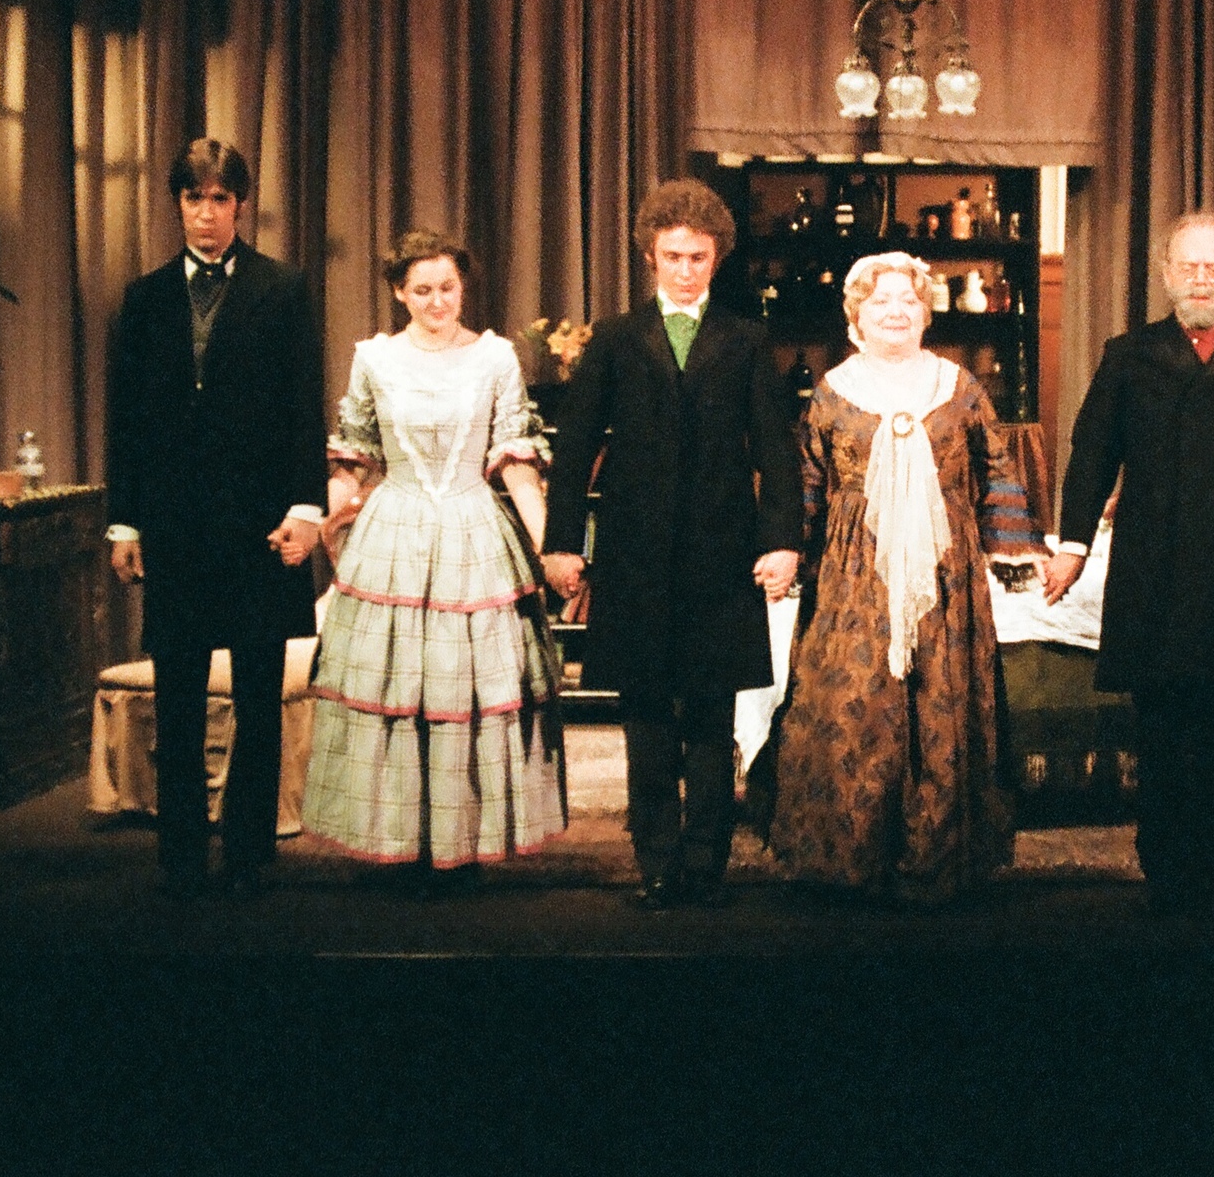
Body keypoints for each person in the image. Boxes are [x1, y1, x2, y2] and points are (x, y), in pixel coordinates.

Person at [1046, 210, 1214, 917]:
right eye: (1188, 266)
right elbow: (1091, 456)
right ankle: (1164, 875)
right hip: (1152, 575)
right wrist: (1073, 546)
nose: (1201, 278)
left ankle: (1209, 876)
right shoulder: (1128, 356)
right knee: (1160, 733)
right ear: (1167, 275)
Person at [542, 179, 801, 909]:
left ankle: (706, 861)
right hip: (636, 555)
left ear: (717, 259)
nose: (685, 270)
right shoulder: (615, 339)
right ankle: (656, 861)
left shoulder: (746, 340)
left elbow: (776, 451)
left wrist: (783, 541)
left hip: (723, 553)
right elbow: (575, 449)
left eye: (698, 257)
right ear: (649, 257)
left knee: (713, 716)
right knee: (647, 715)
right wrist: (562, 542)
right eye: (672, 256)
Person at [770, 254, 1040, 902]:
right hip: (853, 574)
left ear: (926, 312)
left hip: (946, 575)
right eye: (880, 300)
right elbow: (807, 479)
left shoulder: (959, 387)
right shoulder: (833, 392)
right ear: (856, 315)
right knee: (857, 700)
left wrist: (1010, 550)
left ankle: (936, 858)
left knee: (939, 697)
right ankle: (851, 858)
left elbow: (996, 467)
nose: (895, 311)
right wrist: (788, 550)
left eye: (908, 300)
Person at [300, 231, 567, 875]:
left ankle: (462, 840)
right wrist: (315, 520)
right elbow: (356, 457)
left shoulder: (495, 357)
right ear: (399, 292)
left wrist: (548, 545)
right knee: (395, 687)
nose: (437, 301)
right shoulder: (375, 358)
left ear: (463, 287)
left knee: (470, 692)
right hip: (395, 529)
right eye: (422, 290)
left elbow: (516, 460)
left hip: (474, 530)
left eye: (448, 287)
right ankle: (402, 838)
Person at [106, 138, 327, 899]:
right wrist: (125, 522)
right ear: (178, 204)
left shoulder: (283, 288)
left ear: (240, 205)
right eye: (194, 198)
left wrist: (305, 510)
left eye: (220, 199)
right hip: (176, 526)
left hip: (260, 523)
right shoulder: (144, 297)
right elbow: (127, 418)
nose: (206, 214)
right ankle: (178, 855)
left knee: (259, 695)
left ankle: (247, 851)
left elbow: (303, 406)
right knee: (179, 693)